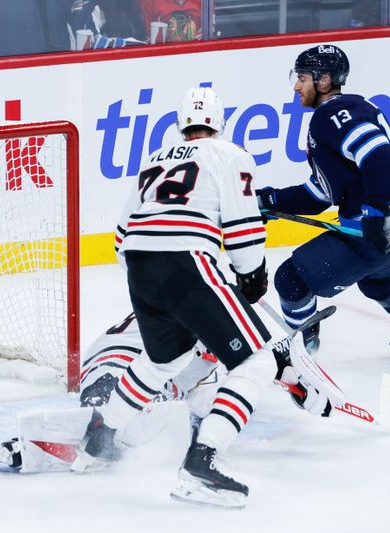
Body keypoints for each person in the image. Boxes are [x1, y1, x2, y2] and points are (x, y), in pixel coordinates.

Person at [70, 86, 325, 508]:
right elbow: (242, 224)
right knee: (257, 359)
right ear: (219, 123)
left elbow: (121, 235)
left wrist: (155, 279)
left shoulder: (154, 159)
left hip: (139, 264)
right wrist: (251, 275)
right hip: (185, 260)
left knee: (164, 360)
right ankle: (202, 463)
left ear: (180, 124)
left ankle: (99, 438)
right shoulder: (230, 154)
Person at [256, 44, 390, 358]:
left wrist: (375, 210)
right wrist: (271, 200)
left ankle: (301, 352)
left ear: (323, 80)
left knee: (291, 279)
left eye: (302, 78)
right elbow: (318, 195)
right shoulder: (342, 113)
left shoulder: (333, 112)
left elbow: (378, 154)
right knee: (377, 281)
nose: (296, 87)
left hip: (380, 224)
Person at [0, 311, 224, 473]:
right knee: (122, 399)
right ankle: (103, 418)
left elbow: (194, 415)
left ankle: (110, 431)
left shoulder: (211, 362)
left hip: (131, 374)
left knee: (150, 411)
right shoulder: (194, 317)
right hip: (118, 362)